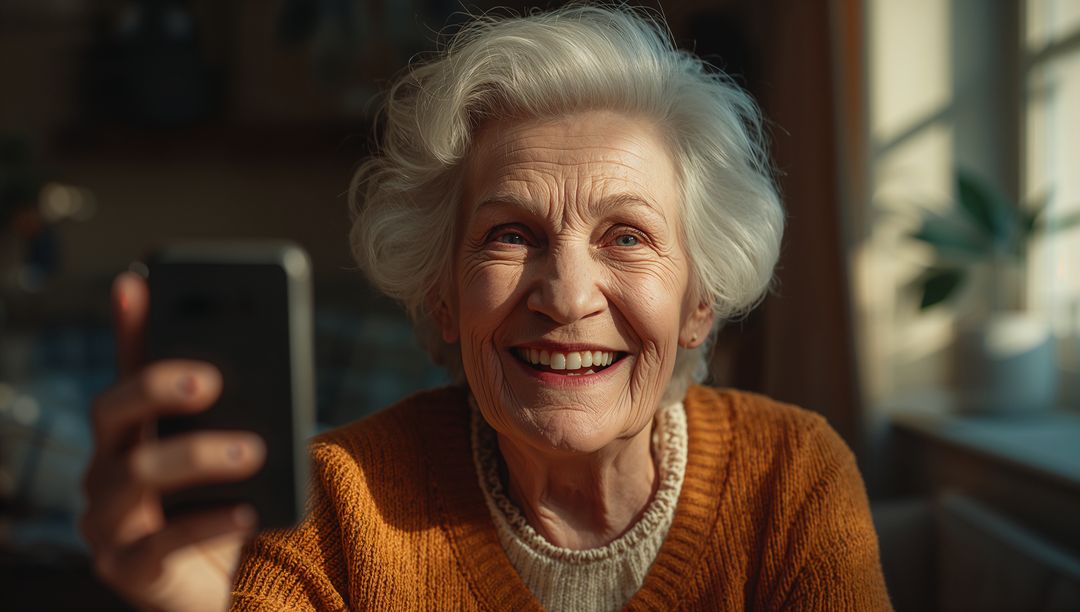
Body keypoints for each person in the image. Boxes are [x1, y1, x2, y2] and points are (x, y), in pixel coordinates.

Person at [81, 5, 892, 611]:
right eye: (510, 234)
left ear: (700, 300)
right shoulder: (336, 509)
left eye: (627, 238)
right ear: (442, 293)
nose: (567, 296)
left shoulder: (791, 480)